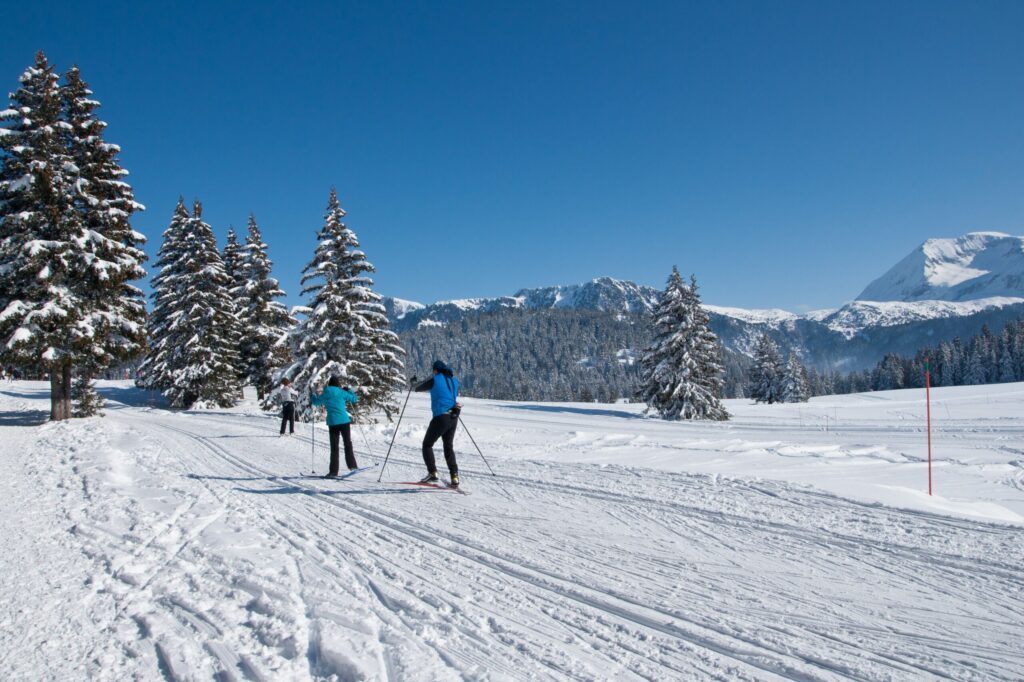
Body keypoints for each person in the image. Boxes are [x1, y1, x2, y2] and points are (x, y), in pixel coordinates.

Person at [414, 360, 462, 487]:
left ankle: (433, 473)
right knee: (448, 446)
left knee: (427, 444)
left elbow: (419, 387)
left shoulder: (436, 378)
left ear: (437, 370)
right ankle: (454, 476)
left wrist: (413, 384)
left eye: (433, 370)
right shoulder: (454, 381)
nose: (433, 372)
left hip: (441, 416)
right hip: (453, 416)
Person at [310, 376, 360, 478]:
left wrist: (312, 395)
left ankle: (333, 471)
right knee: (347, 443)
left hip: (333, 422)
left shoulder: (326, 393)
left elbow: (316, 402)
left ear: (329, 384)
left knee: (334, 447)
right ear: (338, 384)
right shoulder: (341, 392)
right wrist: (349, 390)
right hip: (344, 421)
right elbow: (355, 399)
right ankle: (352, 466)